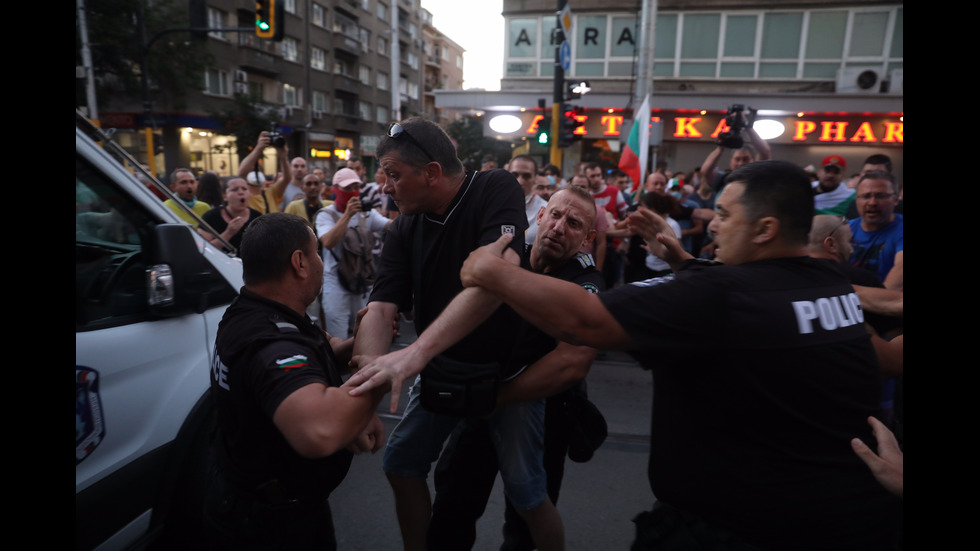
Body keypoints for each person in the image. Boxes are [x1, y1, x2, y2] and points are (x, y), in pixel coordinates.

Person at [459, 160, 901, 551]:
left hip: (732, 530)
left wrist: (492, 271)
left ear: (765, 229)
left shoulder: (718, 294)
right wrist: (684, 261)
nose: (713, 225)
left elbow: (586, 323)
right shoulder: (833, 287)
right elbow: (883, 359)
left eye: (726, 216)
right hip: (851, 524)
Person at [343, 118, 566, 551]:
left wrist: (415, 354)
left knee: (527, 494)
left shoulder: (494, 187)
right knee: (400, 464)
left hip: (507, 376)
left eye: (392, 174)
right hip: (442, 369)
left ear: (430, 172)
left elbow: (498, 280)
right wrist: (363, 399)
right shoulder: (405, 225)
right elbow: (381, 305)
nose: (384, 187)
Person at [427, 186, 602, 551]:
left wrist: (502, 396)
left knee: (526, 519)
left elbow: (573, 361)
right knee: (452, 505)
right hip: (480, 399)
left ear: (588, 238)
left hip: (543, 412)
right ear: (539, 216)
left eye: (573, 223)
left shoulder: (584, 279)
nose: (558, 227)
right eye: (554, 215)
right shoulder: (506, 254)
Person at [203, 212, 386, 550]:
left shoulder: (262, 309)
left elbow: (324, 352)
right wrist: (380, 378)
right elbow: (319, 430)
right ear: (299, 263)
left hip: (281, 504)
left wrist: (358, 341)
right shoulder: (268, 340)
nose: (320, 262)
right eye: (317, 252)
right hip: (271, 523)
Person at [314, 168, 393, 339]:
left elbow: (390, 225)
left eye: (355, 187)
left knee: (364, 335)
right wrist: (347, 215)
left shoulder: (367, 213)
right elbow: (328, 242)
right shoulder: (325, 215)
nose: (352, 192)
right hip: (335, 286)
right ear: (335, 189)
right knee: (339, 338)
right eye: (347, 188)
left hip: (362, 285)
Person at [849, 170, 903, 286]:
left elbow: (890, 294)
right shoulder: (845, 230)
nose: (872, 202)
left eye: (880, 196)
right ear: (857, 200)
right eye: (866, 196)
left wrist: (845, 293)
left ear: (896, 199)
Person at [699, 112, 771, 195]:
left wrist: (747, 126)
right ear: (731, 161)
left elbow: (765, 152)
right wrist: (720, 148)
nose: (741, 163)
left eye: (745, 159)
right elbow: (705, 171)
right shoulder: (723, 180)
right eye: (737, 159)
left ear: (753, 160)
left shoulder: (757, 178)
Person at [585, 162, 629, 288]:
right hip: (590, 245)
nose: (596, 179)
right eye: (592, 176)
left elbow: (624, 217)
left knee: (611, 283)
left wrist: (625, 240)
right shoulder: (585, 194)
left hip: (613, 246)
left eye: (598, 175)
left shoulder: (614, 192)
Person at [200, 177, 263, 255]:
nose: (241, 192)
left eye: (244, 189)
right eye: (234, 189)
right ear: (225, 196)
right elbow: (203, 250)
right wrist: (229, 233)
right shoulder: (211, 217)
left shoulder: (257, 217)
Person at [238, 131, 291, 214]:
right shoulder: (243, 195)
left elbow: (287, 178)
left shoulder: (271, 193)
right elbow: (241, 173)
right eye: (251, 170)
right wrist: (258, 148)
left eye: (257, 170)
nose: (254, 173)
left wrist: (283, 157)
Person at [510, 154, 548, 246]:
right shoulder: (493, 205)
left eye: (526, 176)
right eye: (515, 175)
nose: (519, 181)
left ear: (535, 178)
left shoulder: (546, 210)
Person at [569, 173, 607, 262]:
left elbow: (601, 243)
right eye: (576, 186)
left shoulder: (597, 211)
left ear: (589, 189)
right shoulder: (561, 207)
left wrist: (598, 270)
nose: (579, 190)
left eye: (583, 187)